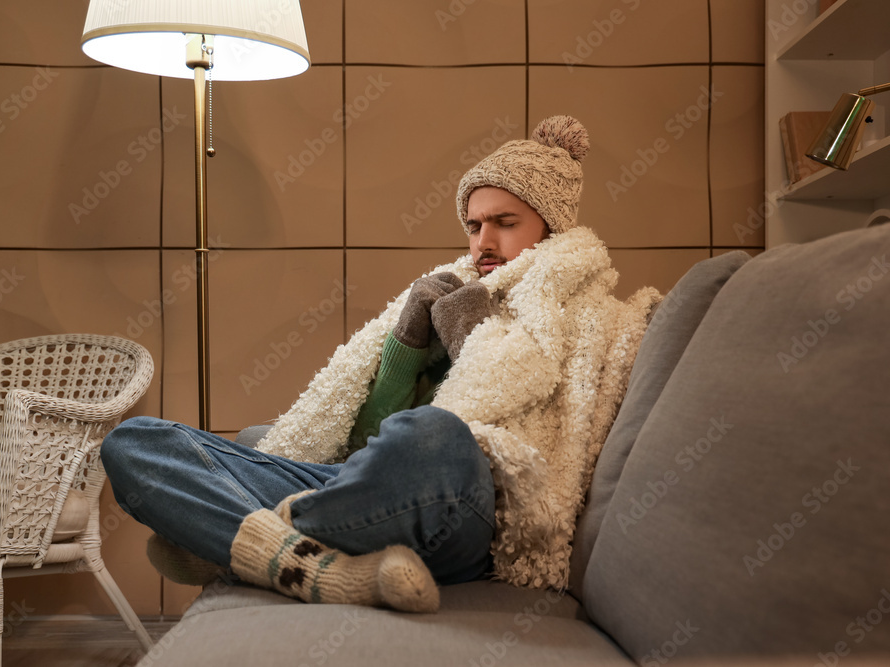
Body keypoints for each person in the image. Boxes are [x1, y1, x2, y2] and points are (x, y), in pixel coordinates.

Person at [101, 115, 661, 614]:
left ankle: (225, 539)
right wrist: (407, 345)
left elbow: (495, 443)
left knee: (430, 433)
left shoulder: (588, 322)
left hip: (470, 509)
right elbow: (364, 444)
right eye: (473, 225)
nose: (481, 243)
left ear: (551, 226)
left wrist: (471, 337)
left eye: (504, 222)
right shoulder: (446, 294)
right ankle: (319, 569)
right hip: (360, 488)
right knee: (137, 444)